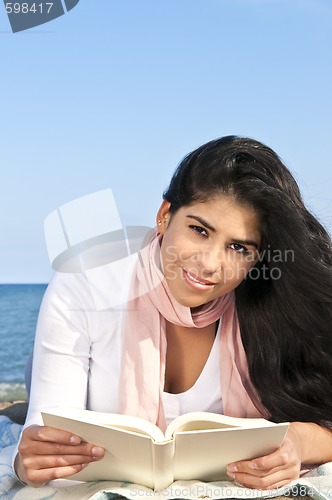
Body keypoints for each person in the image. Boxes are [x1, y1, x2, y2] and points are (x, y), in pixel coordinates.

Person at [14, 136, 332, 490]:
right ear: (165, 216)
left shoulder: (269, 303)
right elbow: (41, 434)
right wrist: (28, 459)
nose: (210, 264)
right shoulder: (86, 282)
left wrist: (299, 443)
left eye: (238, 247)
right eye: (199, 230)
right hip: (69, 356)